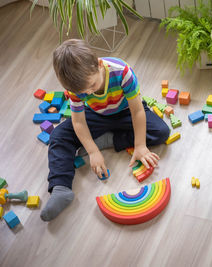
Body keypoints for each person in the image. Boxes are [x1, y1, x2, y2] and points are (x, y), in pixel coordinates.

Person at [40, 39, 170, 221]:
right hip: (96, 114)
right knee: (59, 135)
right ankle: (61, 188)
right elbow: (78, 121)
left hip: (126, 111)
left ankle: (109, 140)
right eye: (83, 92)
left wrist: (140, 146)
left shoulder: (122, 72)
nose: (89, 93)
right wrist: (92, 151)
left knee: (161, 131)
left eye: (92, 86)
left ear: (100, 65)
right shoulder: (76, 87)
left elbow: (137, 110)